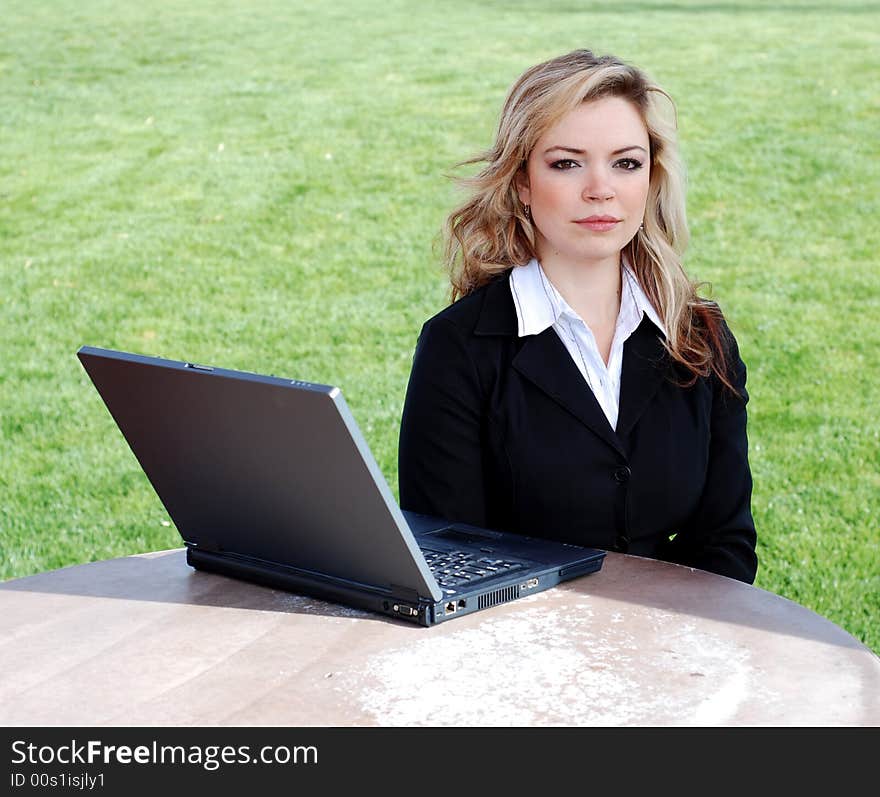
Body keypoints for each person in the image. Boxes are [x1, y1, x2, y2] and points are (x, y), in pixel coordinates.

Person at [398, 49, 758, 584]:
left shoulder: (699, 334)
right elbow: (452, 562)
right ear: (521, 182)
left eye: (626, 162)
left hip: (678, 647)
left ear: (651, 179)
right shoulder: (458, 348)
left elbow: (725, 542)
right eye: (567, 162)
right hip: (517, 652)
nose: (601, 188)